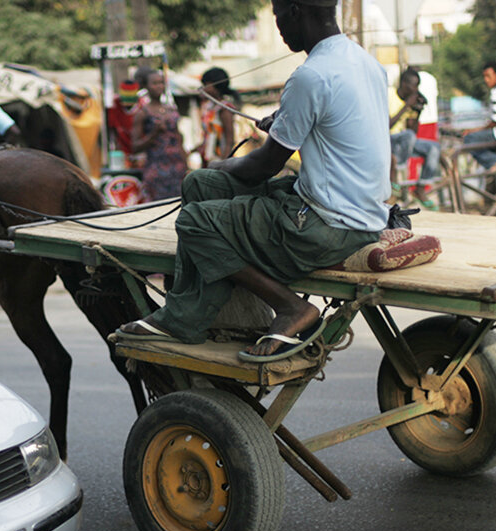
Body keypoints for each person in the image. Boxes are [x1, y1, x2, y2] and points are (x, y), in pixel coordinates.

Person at [116, 0, 389, 362]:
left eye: (278, 16)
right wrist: (281, 121)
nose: (279, 27)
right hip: (361, 213)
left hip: (326, 226)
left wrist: (222, 164)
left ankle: (288, 307)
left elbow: (262, 167)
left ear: (295, 11)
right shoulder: (366, 63)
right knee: (199, 185)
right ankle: (192, 312)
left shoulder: (311, 75)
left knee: (196, 221)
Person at [130, 70, 188, 201]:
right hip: (156, 168)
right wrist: (154, 133)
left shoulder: (171, 109)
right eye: (154, 83)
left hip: (177, 168)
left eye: (161, 83)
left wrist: (185, 164)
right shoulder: (142, 113)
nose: (159, 86)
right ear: (146, 86)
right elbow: (135, 147)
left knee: (179, 203)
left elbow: (179, 139)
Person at [389, 67, 441, 205]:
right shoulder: (390, 95)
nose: (416, 89)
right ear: (404, 84)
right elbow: (387, 125)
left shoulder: (410, 101)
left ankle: (421, 188)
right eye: (414, 85)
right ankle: (397, 174)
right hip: (389, 141)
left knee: (433, 148)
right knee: (408, 136)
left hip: (405, 144)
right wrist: (406, 106)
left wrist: (418, 112)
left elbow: (413, 132)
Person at [199, 67, 237, 167]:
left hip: (220, 159)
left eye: (206, 85)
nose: (203, 88)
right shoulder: (210, 107)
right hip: (209, 158)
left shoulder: (224, 108)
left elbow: (230, 140)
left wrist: (223, 164)